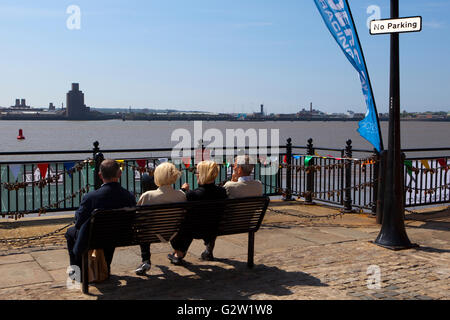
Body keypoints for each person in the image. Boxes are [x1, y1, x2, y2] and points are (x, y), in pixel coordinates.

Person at [65, 159, 136, 276]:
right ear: (119, 174)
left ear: (100, 175)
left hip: (95, 237)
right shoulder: (129, 196)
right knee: (110, 230)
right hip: (122, 236)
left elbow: (78, 223)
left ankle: (77, 271)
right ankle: (105, 267)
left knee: (70, 232)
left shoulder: (91, 197)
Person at [168, 160, 227, 265]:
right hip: (214, 229)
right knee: (203, 220)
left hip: (195, 231)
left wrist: (183, 191)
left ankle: (179, 253)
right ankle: (208, 251)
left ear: (203, 175)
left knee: (183, 223)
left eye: (198, 172)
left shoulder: (193, 195)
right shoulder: (222, 192)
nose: (196, 175)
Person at [134, 162, 186, 275]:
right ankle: (178, 251)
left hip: (151, 235)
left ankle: (146, 260)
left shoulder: (148, 196)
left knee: (143, 229)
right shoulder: (181, 195)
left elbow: (139, 217)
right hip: (173, 233)